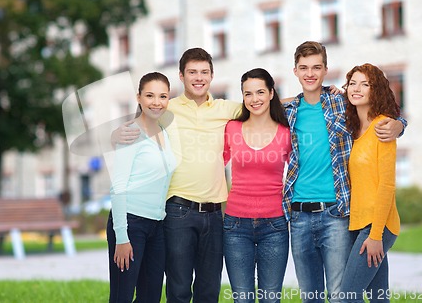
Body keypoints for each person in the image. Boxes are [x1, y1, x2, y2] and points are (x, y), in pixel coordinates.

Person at [282, 41, 406, 303]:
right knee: (370, 296)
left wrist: (399, 124)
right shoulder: (290, 111)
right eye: (303, 68)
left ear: (326, 70)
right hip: (301, 215)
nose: (310, 73)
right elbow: (257, 102)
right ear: (295, 71)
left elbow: (389, 114)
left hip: (338, 214)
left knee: (344, 296)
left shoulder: (345, 105)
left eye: (316, 67)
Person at [115, 47, 241, 302]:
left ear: (212, 75)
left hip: (215, 213)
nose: (198, 77)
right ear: (181, 76)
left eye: (204, 72)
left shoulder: (225, 109)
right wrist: (114, 135)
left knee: (208, 290)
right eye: (192, 72)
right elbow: (138, 124)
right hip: (177, 211)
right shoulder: (166, 107)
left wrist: (319, 93)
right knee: (179, 288)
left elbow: (262, 104)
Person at [107, 72, 177, 303]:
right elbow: (118, 187)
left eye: (162, 96)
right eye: (150, 95)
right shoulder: (131, 133)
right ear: (139, 98)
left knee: (150, 297)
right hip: (131, 224)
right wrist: (122, 237)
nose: (156, 102)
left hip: (157, 226)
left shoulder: (164, 133)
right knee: (122, 297)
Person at [223, 68, 291, 303]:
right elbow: (213, 165)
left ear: (272, 93)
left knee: (270, 298)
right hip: (235, 226)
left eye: (260, 92)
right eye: (248, 94)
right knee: (242, 298)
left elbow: (298, 173)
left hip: (274, 226)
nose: (255, 99)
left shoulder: (286, 133)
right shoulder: (231, 128)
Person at [340, 64, 401, 303]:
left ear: (376, 91)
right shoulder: (353, 129)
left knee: (347, 296)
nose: (357, 89)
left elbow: (387, 185)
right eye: (353, 83)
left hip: (377, 226)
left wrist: (376, 235)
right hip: (358, 224)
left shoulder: (383, 127)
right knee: (378, 299)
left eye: (365, 84)